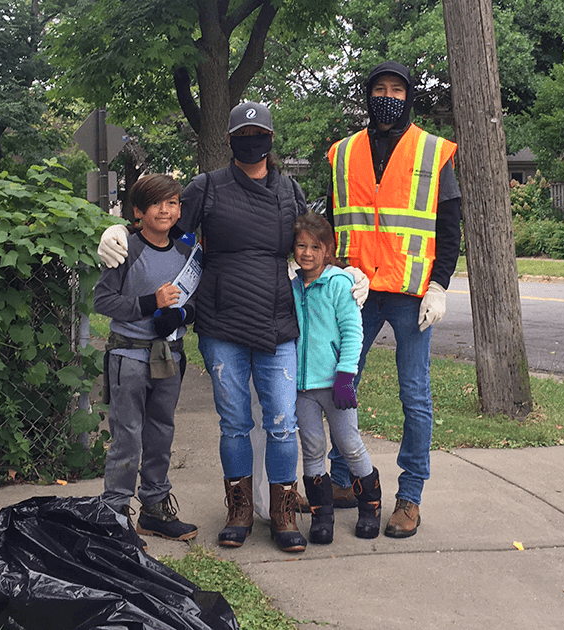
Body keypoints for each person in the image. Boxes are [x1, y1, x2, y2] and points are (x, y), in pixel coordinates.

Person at [97, 102, 372, 553]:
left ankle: (283, 511)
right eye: (242, 133)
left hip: (277, 321)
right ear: (229, 140)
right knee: (235, 424)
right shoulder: (207, 187)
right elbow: (164, 228)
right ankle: (239, 509)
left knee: (283, 423)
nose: (252, 139)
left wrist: (343, 272)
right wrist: (119, 233)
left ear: (270, 137)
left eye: (259, 132)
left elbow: (313, 241)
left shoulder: (289, 190)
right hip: (221, 320)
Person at [326, 61, 461, 539]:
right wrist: (329, 272)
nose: (388, 96)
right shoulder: (342, 154)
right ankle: (343, 481)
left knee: (415, 397)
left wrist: (439, 285)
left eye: (397, 90)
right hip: (356, 292)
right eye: (380, 89)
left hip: (409, 295)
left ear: (409, 97)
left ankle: (410, 497)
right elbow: (332, 223)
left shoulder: (433, 151)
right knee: (338, 387)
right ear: (368, 96)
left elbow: (448, 229)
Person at [93, 173, 199, 543]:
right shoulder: (126, 250)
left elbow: (196, 302)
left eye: (172, 203)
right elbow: (102, 301)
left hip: (170, 357)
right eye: (156, 203)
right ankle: (115, 510)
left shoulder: (187, 255)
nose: (165, 210)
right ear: (138, 211)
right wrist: (147, 304)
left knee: (160, 433)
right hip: (130, 356)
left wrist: (183, 315)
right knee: (127, 435)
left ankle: (154, 508)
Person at [290, 213, 380, 543]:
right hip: (303, 389)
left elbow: (353, 333)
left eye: (316, 246)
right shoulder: (293, 286)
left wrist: (346, 376)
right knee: (312, 449)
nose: (307, 252)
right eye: (301, 245)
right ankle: (321, 515)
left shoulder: (340, 284)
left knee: (350, 445)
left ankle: (370, 505)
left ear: (329, 249)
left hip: (335, 385)